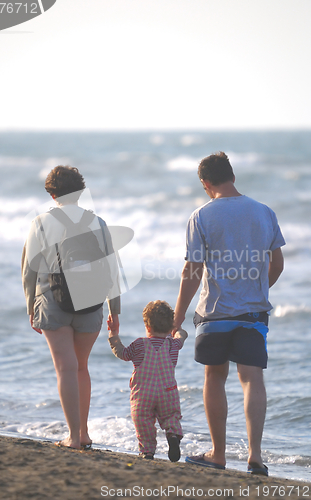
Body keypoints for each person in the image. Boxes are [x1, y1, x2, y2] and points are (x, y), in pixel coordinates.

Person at [173, 152, 285, 476]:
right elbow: (276, 264)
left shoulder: (201, 216)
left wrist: (178, 315)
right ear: (232, 176)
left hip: (214, 313)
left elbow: (192, 270)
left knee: (214, 377)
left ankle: (218, 453)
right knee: (252, 380)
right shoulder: (265, 212)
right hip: (253, 313)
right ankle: (255, 455)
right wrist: (259, 291)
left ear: (206, 184)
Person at [22, 165, 120, 449]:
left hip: (53, 300)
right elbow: (112, 271)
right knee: (81, 368)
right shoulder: (99, 223)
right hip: (91, 302)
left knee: (66, 368)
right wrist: (115, 312)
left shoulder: (41, 222)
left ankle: (73, 438)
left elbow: (30, 269)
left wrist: (31, 305)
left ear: (52, 194)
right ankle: (85, 433)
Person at [108, 300, 187, 462]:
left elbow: (122, 353)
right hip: (168, 392)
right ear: (169, 328)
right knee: (171, 416)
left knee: (142, 420)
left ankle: (147, 451)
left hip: (143, 394)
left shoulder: (140, 345)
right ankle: (172, 435)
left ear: (148, 327)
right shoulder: (173, 345)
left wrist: (113, 334)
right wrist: (178, 331)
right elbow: (182, 336)